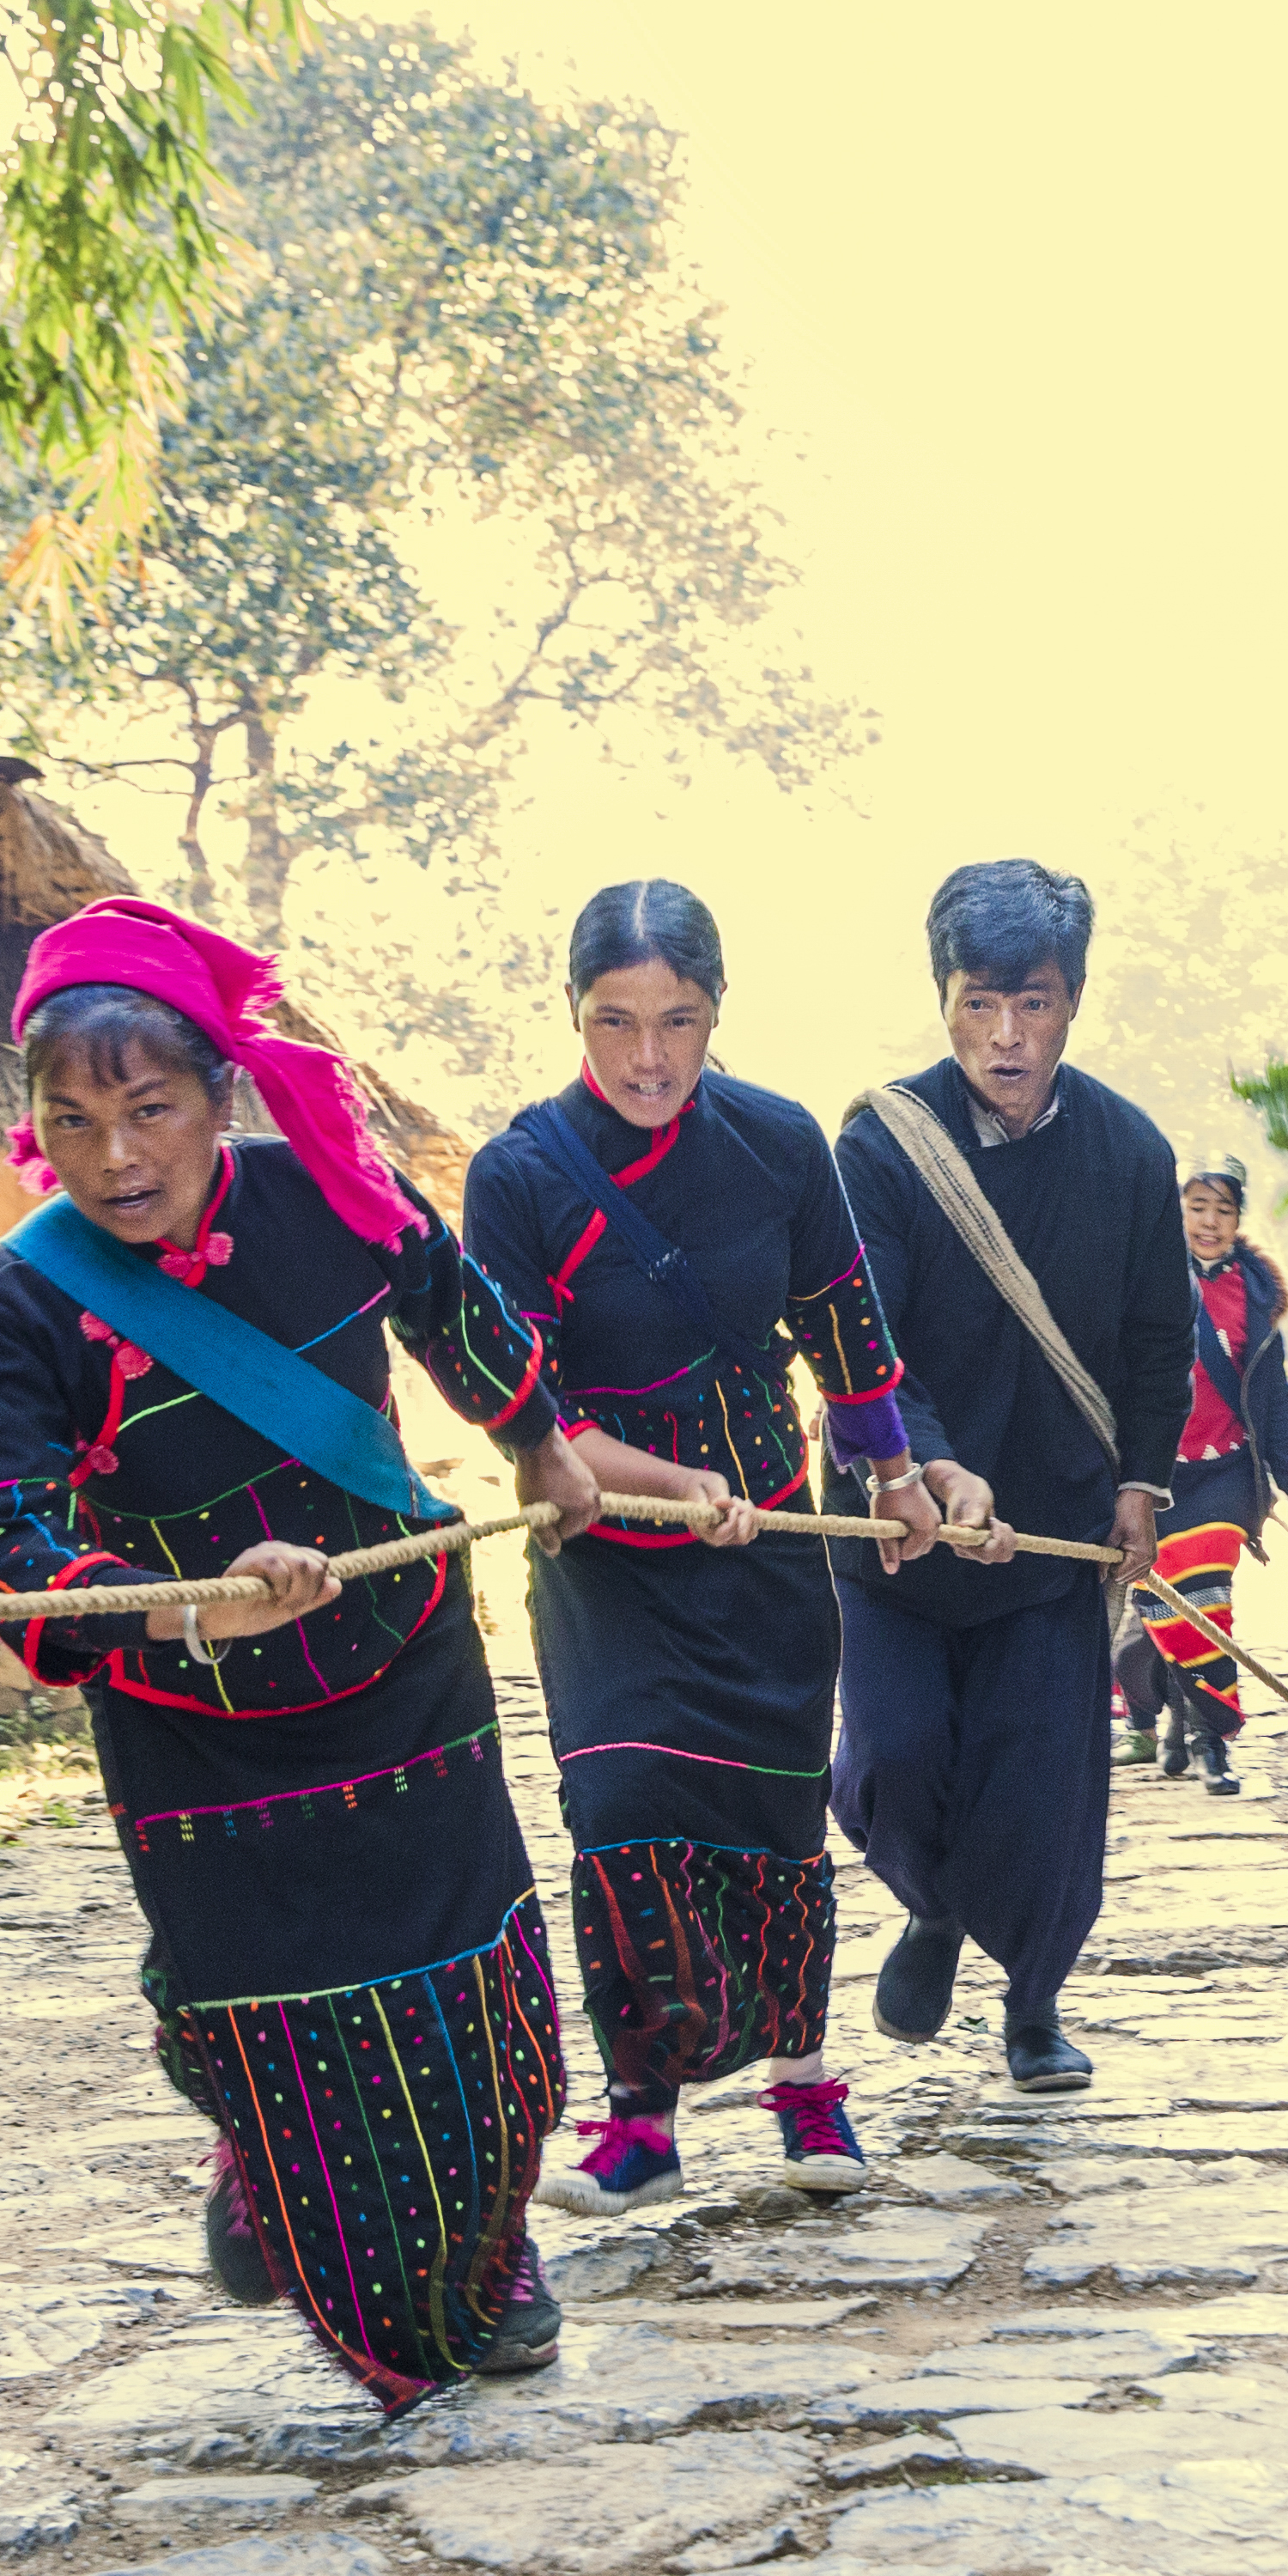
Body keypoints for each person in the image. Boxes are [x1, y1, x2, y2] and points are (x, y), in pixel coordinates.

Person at [0, 903, 603, 2409]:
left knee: (467, 1995)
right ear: (35, 1123)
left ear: (220, 1099)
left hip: (400, 1660)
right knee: (269, 2021)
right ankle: (273, 2171)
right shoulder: (17, 1309)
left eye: (151, 1110)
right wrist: (174, 1602)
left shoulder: (329, 1201)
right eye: (76, 1119)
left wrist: (539, 1445)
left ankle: (496, 2258)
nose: (116, 1157)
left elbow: (449, 1299)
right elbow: (1, 1528)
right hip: (196, 1725)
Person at [463, 880, 956, 2213]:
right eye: (615, 1020)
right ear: (572, 1014)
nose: (647, 1056)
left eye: (678, 1020)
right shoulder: (515, 1176)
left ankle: (803, 2088)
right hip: (606, 1559)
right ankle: (641, 2119)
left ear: (717, 1012)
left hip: (770, 1548)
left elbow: (845, 1330)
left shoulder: (782, 1147)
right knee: (624, 1816)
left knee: (771, 1824)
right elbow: (530, 1418)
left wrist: (898, 1477)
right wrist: (669, 1482)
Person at [831, 860, 1191, 2093]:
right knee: (894, 1762)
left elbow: (1159, 1342)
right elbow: (856, 1335)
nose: (1006, 1035)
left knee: (1043, 1795)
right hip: (898, 1528)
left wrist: (1142, 1485)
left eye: (1032, 1004)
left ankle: (1034, 2006)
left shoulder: (1134, 1154)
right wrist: (925, 1464)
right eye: (980, 1003)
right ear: (944, 998)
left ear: (1074, 1000)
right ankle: (931, 1911)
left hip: (1052, 1540)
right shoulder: (880, 1143)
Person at [1130, 1155, 1288, 1794]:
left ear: (1239, 1218)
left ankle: (1214, 1737)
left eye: (1224, 1209)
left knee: (1206, 1596)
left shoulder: (1257, 1291)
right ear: (1177, 1211)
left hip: (1227, 1473)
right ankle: (1180, 1716)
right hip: (1151, 1477)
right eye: (1197, 1207)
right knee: (1162, 1612)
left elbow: (1276, 1397)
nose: (1210, 1222)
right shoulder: (1139, 1273)